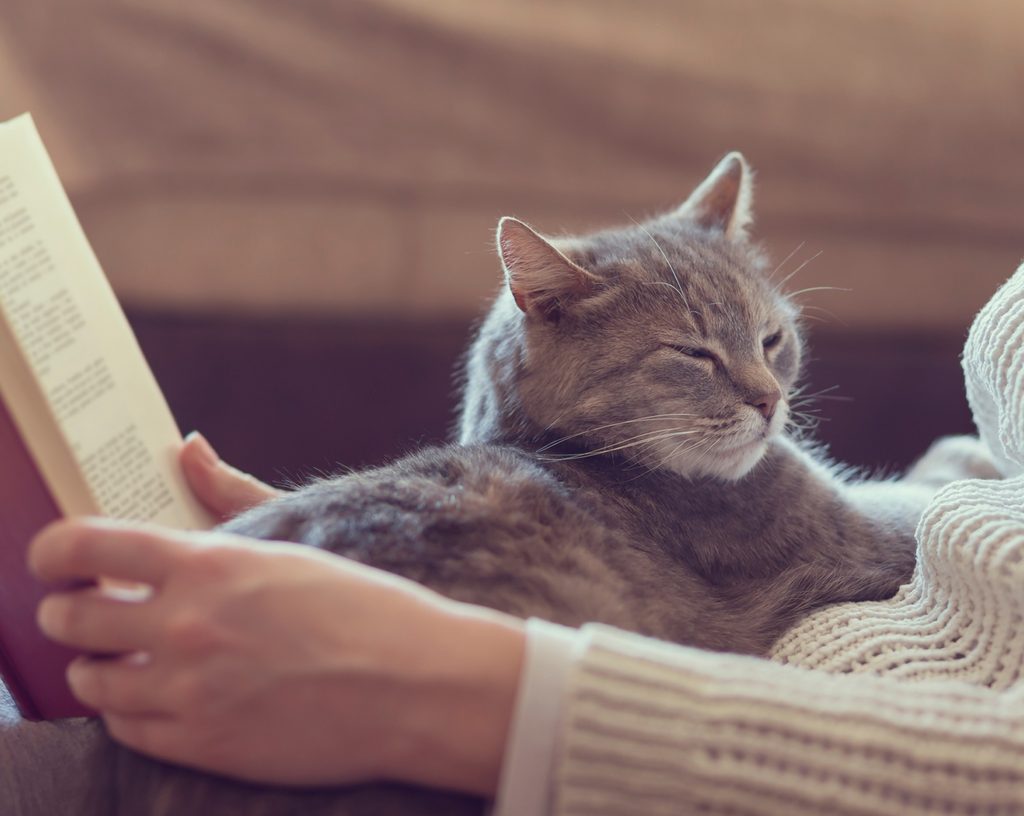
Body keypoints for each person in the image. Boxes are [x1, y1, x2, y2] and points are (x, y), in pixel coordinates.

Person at [9, 261, 1024, 815]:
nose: (769, 393)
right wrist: (358, 541)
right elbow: (988, 477)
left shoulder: (754, 497)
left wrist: (489, 688)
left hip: (647, 741)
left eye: (770, 345)